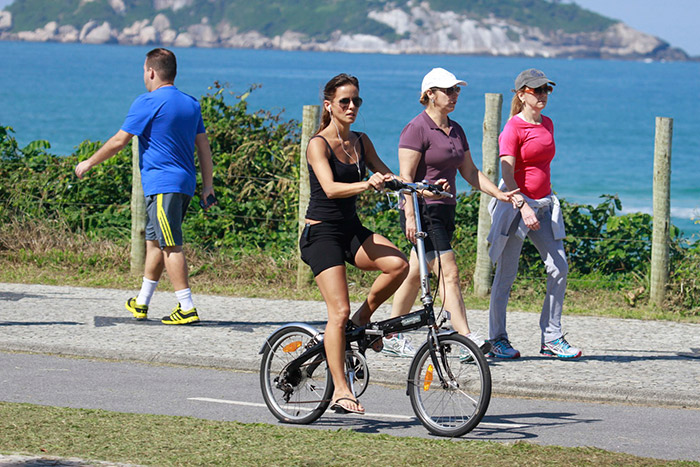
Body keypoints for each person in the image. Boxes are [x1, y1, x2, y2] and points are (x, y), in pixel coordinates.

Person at [75, 48, 215, 326]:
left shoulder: (148, 102)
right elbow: (204, 148)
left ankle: (186, 307)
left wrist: (89, 162)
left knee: (171, 245)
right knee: (154, 243)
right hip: (182, 184)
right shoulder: (190, 104)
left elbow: (119, 141)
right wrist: (207, 186)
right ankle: (142, 302)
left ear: (151, 71)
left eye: (143, 71)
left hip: (163, 184)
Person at [384, 68, 518, 357]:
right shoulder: (416, 129)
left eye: (457, 90)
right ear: (430, 94)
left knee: (415, 271)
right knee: (450, 273)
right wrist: (409, 215)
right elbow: (404, 180)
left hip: (446, 210)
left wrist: (499, 193)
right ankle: (465, 339)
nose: (455, 95)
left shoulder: (456, 129)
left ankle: (392, 335)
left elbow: (469, 172)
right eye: (448, 90)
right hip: (423, 212)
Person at [299, 73, 409, 414]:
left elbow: (388, 176)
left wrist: (417, 186)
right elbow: (331, 188)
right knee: (338, 312)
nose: (351, 107)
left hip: (349, 228)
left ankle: (362, 321)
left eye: (356, 101)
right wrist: (367, 184)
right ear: (329, 105)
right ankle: (341, 391)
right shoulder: (318, 144)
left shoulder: (361, 141)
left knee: (399, 265)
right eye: (344, 101)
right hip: (321, 234)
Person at [487, 68, 581, 359]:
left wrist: (541, 203)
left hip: (544, 205)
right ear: (521, 94)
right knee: (506, 275)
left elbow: (541, 167)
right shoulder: (513, 129)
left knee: (560, 267)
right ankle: (497, 340)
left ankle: (551, 338)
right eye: (536, 90)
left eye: (546, 90)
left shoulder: (548, 124)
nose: (542, 95)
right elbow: (506, 171)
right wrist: (523, 205)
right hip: (516, 207)